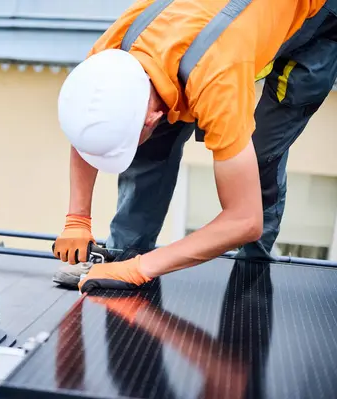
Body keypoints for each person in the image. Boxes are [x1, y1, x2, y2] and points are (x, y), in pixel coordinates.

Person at [51, 0, 337, 292]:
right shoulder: (109, 56)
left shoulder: (218, 81)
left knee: (261, 155)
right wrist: (77, 219)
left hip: (317, 17)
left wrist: (140, 271)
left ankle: (251, 271)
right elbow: (89, 126)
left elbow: (244, 219)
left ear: (152, 118)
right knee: (150, 150)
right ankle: (125, 254)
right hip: (228, 30)